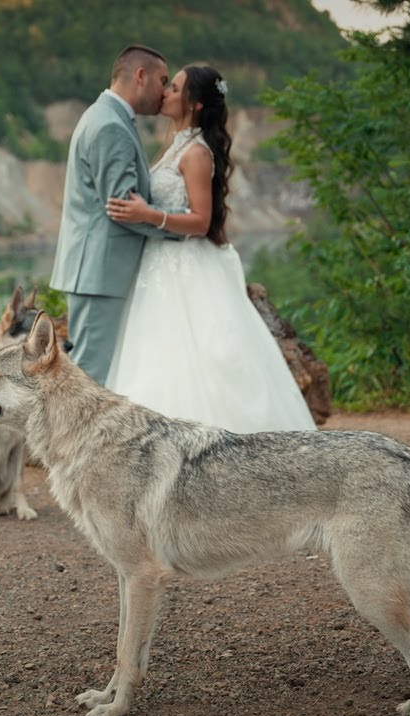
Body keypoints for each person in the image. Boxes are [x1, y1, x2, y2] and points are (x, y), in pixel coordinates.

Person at [104, 65, 316, 433]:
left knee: (201, 355)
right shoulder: (177, 145)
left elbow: (201, 221)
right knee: (161, 355)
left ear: (196, 103)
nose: (166, 92)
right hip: (161, 262)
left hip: (187, 264)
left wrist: (148, 214)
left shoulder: (197, 153)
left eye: (175, 87)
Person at [50, 45, 182, 385]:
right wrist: (185, 225)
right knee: (87, 376)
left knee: (89, 372)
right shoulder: (110, 125)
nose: (165, 91)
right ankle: (71, 441)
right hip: (100, 270)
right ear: (141, 76)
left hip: (99, 269)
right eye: (163, 81)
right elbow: (123, 209)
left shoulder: (106, 116)